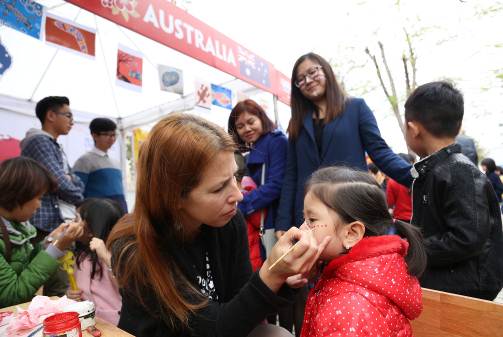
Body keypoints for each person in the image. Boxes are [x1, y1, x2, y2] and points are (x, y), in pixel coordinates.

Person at [108, 113, 330, 337]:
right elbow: (215, 329)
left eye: (235, 177)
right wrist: (270, 274)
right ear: (173, 197)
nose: (238, 196)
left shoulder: (227, 222)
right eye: (218, 188)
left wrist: (284, 279)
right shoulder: (135, 249)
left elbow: (241, 301)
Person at [276, 52, 412, 334]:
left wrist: (418, 177)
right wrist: (281, 224)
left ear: (326, 71)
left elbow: (380, 151)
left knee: (353, 280)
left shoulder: (356, 108)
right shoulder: (297, 123)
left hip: (349, 212)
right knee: (311, 288)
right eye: (300, 79)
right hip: (313, 218)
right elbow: (291, 173)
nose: (308, 80)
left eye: (313, 72)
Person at [404, 81, 503, 300]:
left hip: (465, 286)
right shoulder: (435, 169)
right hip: (446, 280)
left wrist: (412, 249)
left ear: (413, 128)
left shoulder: (458, 171)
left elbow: (466, 237)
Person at [300, 166, 425, 337]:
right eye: (304, 219)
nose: (301, 229)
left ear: (351, 233)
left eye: (311, 220)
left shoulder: (348, 308)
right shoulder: (367, 277)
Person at [228, 99, 291, 331]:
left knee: (279, 280)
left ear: (262, 118)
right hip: (258, 224)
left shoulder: (275, 142)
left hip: (272, 222)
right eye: (240, 126)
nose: (246, 129)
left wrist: (242, 204)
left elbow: (276, 184)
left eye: (250, 121)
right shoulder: (250, 150)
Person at [0, 157, 83, 307]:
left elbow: (26, 266)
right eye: (38, 198)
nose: (39, 205)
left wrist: (50, 241)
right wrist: (56, 249)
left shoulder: (18, 227)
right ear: (19, 195)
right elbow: (12, 294)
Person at [20, 96, 84, 236]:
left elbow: (76, 180)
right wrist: (79, 197)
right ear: (50, 115)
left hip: (55, 220)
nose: (72, 122)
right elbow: (59, 182)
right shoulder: (39, 142)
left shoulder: (52, 144)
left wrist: (71, 180)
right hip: (44, 223)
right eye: (68, 116)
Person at [66, 198, 124, 325]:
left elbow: (126, 286)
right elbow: (77, 289)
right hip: (85, 321)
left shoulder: (116, 255)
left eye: (78, 219)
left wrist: (107, 258)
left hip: (114, 324)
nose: (74, 223)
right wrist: (70, 294)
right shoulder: (81, 255)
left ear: (91, 229)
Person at [73, 118, 128, 212]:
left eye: (113, 135)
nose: (112, 138)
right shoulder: (84, 160)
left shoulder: (116, 163)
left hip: (120, 212)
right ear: (94, 135)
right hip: (98, 216)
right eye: (106, 134)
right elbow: (76, 192)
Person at [386, 153, 415, 223]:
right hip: (418, 218)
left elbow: (389, 203)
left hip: (400, 220)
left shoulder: (392, 181)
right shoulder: (418, 178)